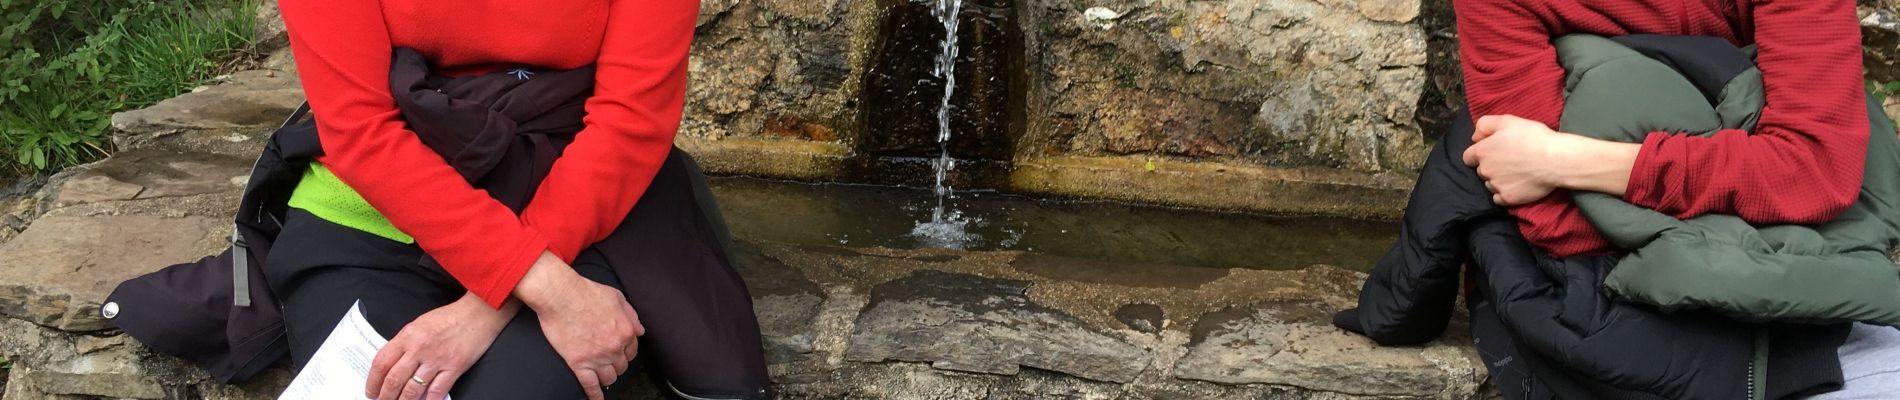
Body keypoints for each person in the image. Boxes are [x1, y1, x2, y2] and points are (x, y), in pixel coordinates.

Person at [268, 1, 773, 400]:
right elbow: (362, 132)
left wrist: (482, 309)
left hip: (577, 204)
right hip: (380, 210)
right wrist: (547, 288)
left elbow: (630, 122)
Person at [1453, 0, 1900, 398]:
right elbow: (1558, 222)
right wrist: (1758, 182)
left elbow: (1816, 170)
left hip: (1794, 277)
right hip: (1608, 294)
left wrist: (1567, 160)